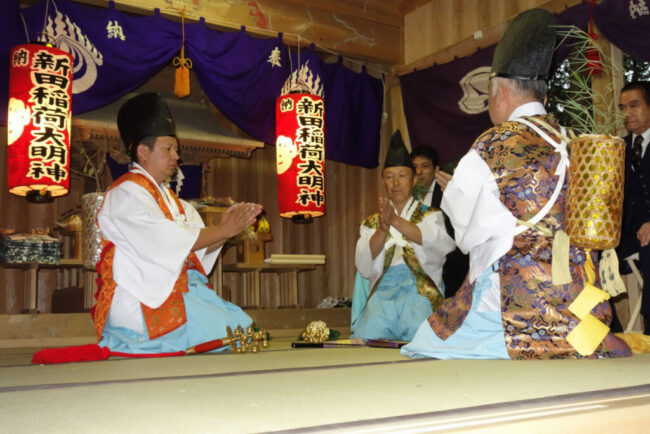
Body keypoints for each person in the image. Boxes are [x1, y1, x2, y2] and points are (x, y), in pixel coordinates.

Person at [401, 9, 632, 359]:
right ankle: (579, 338)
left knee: (425, 342)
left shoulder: (492, 144)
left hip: (517, 302)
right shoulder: (574, 141)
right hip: (576, 303)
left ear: (500, 93)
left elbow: (465, 237)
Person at [92, 92, 261, 354]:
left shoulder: (174, 201)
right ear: (142, 151)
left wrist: (226, 232)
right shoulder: (124, 194)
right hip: (142, 296)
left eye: (177, 149)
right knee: (228, 333)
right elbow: (164, 241)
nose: (177, 156)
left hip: (175, 290)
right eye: (168, 148)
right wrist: (220, 230)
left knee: (243, 328)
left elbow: (192, 244)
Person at [350, 131, 455, 341]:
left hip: (420, 289)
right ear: (383, 181)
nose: (396, 183)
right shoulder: (371, 222)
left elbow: (439, 244)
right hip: (384, 289)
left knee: (419, 330)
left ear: (414, 180)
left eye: (402, 175)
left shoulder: (430, 215)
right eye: (389, 177)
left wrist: (395, 221)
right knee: (370, 332)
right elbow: (363, 262)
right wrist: (382, 228)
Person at [411, 146, 469, 298]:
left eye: (424, 166)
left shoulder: (445, 192)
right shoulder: (407, 196)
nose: (418, 172)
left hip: (448, 259)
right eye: (414, 167)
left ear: (436, 169)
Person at [618, 81, 650, 335]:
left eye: (634, 105)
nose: (627, 112)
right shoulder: (617, 148)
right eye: (622, 107)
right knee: (583, 258)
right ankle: (611, 333)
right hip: (625, 236)